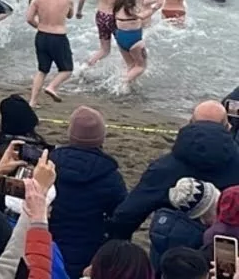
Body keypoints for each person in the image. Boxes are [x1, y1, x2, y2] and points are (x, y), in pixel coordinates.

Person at [110, 101, 239, 239]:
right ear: (227, 127)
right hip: (226, 247)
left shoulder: (163, 168)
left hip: (174, 247)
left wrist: (119, 248)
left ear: (190, 123)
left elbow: (128, 214)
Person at [51, 106, 127, 278]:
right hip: (90, 249)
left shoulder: (48, 166)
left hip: (50, 242)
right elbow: (122, 216)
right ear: (101, 138)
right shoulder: (110, 177)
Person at [25, 0, 74, 106]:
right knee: (67, 69)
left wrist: (39, 26)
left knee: (42, 70)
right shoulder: (67, 0)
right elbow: (70, 15)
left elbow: (29, 18)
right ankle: (52, 86)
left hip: (41, 36)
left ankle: (33, 101)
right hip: (58, 37)